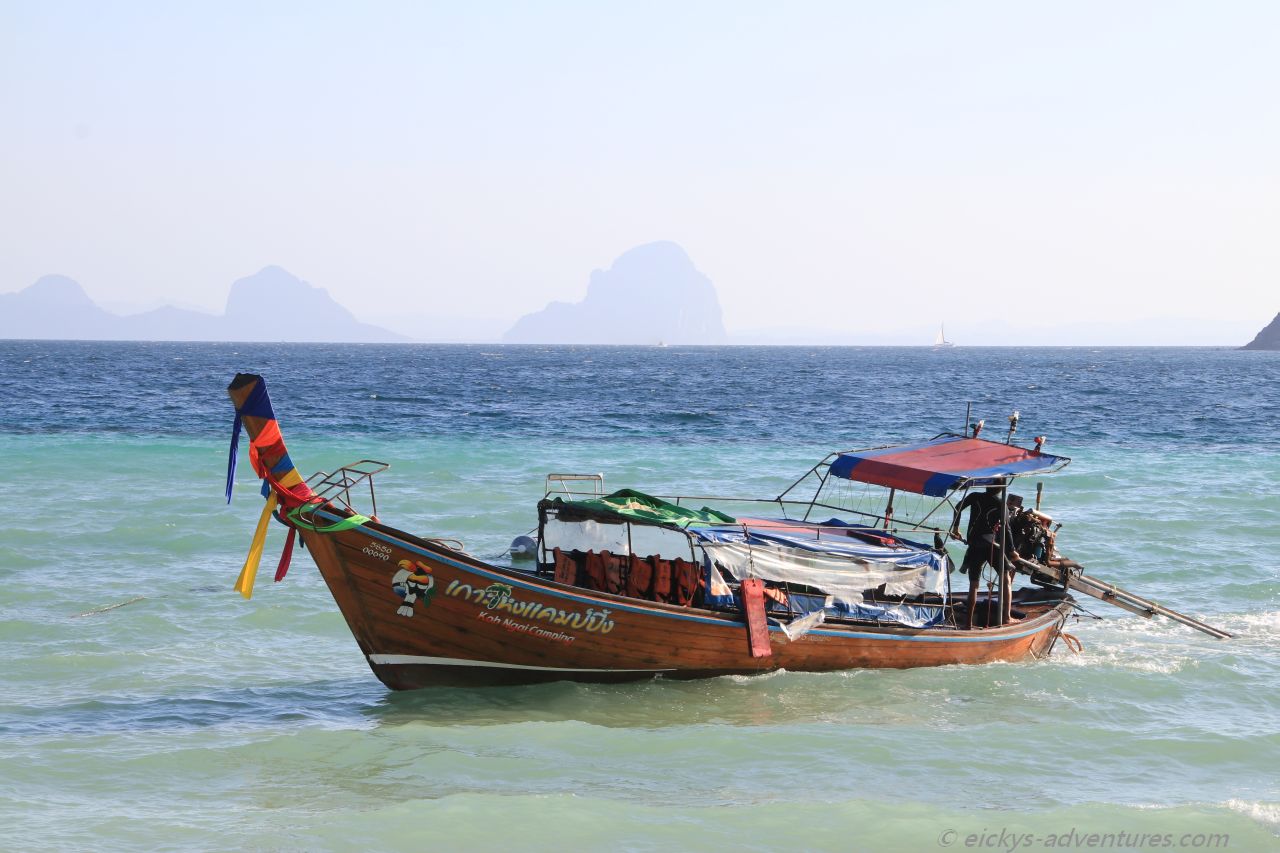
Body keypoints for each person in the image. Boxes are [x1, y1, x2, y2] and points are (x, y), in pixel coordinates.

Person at [949, 485, 1013, 628]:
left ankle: (968, 624)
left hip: (974, 545)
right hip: (991, 546)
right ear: (1000, 489)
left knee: (974, 585)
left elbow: (957, 507)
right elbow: (1006, 529)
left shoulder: (974, 497)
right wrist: (1013, 550)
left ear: (987, 486)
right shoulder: (1001, 504)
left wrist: (955, 527)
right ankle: (1007, 618)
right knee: (1006, 578)